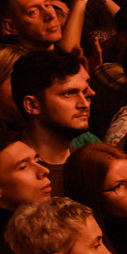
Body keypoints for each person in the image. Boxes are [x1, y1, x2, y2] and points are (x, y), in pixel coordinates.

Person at [11, 47, 97, 191]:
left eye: (85, 93)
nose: (84, 104)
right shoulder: (14, 173)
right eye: (68, 94)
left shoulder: (91, 162)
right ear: (32, 105)